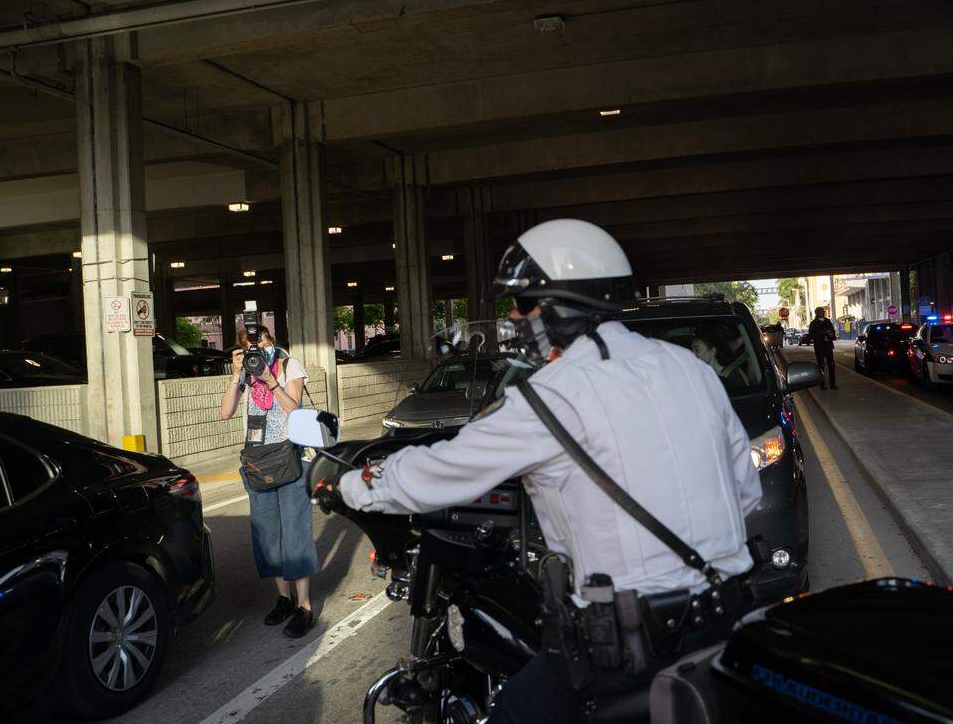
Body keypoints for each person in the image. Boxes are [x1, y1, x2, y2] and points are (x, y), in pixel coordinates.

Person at [315, 219, 762, 723]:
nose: (513, 316)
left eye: (523, 303)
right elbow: (745, 493)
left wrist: (352, 485)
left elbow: (439, 471)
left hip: (630, 646)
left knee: (512, 711)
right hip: (728, 620)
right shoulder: (693, 370)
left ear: (564, 305)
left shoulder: (551, 395)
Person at [219, 326, 319, 638]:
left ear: (270, 340)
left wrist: (270, 380)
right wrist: (237, 376)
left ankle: (304, 606)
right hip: (258, 461)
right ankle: (284, 599)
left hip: (290, 458)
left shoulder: (290, 365)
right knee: (268, 533)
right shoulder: (245, 374)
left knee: (294, 530)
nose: (257, 347)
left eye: (260, 339)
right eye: (249, 344)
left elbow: (294, 409)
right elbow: (225, 413)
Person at [808, 306, 837, 389]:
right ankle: (822, 384)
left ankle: (832, 384)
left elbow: (832, 332)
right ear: (817, 313)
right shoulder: (813, 323)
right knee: (821, 366)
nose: (823, 313)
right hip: (819, 347)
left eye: (823, 311)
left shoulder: (828, 321)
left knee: (831, 365)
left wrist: (831, 335)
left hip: (828, 346)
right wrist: (821, 334)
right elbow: (811, 335)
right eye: (821, 311)